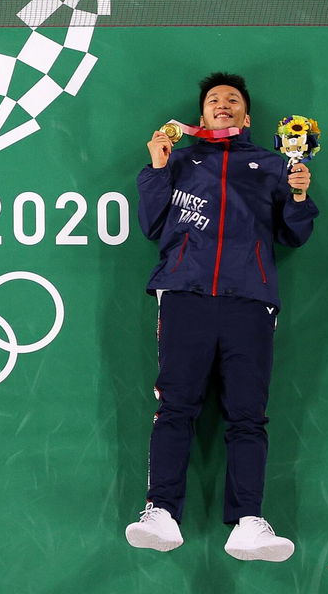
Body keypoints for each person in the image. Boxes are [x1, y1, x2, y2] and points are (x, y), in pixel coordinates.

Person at [124, 73, 317, 562]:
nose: (223, 105)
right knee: (175, 408)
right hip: (186, 294)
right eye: (214, 100)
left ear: (247, 117)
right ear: (202, 114)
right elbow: (151, 223)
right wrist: (157, 167)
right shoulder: (181, 159)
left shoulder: (274, 165)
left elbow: (293, 236)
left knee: (248, 416)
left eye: (232, 100)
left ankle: (249, 523)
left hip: (249, 300)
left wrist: (297, 196)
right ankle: (161, 512)